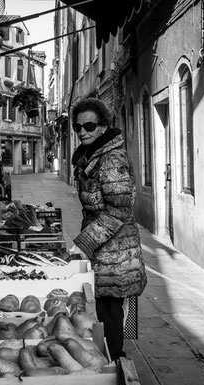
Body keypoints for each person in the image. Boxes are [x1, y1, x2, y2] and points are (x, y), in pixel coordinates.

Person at [67, 98, 147, 361]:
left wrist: (83, 242)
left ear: (103, 127)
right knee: (101, 309)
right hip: (101, 249)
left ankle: (114, 369)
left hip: (116, 253)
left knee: (110, 312)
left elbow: (119, 210)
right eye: (78, 127)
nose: (83, 132)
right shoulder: (90, 158)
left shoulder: (111, 160)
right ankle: (107, 361)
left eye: (89, 125)